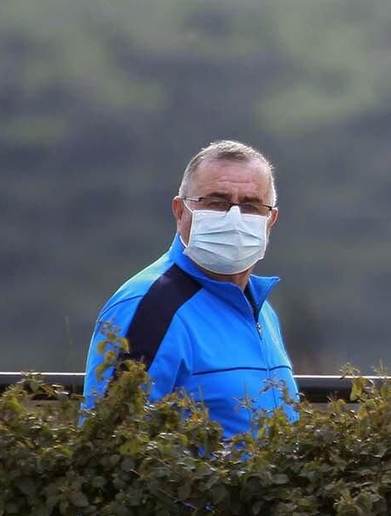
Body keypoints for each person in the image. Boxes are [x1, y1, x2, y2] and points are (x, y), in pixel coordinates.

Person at [84, 140, 298, 437]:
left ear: (271, 220)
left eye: (251, 205)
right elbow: (109, 446)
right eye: (217, 202)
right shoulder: (151, 306)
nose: (235, 217)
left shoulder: (259, 309)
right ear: (180, 211)